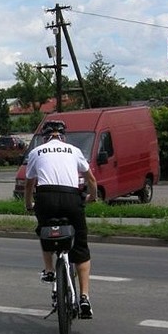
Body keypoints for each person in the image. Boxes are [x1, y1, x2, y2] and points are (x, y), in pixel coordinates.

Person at [24, 120, 98, 319]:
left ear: (45, 136)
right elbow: (91, 179)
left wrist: (29, 204)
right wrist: (93, 196)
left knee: (44, 230)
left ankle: (49, 270)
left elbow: (29, 183)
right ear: (63, 136)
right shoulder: (73, 150)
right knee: (81, 247)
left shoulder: (36, 152)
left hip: (45, 197)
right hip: (71, 197)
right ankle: (84, 297)